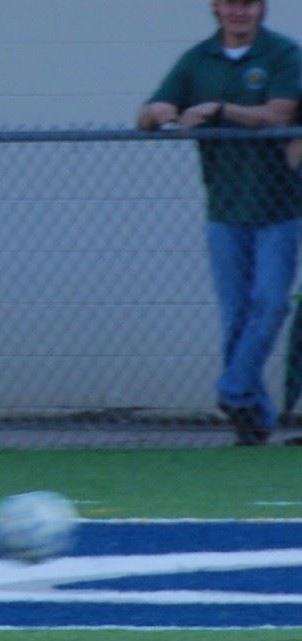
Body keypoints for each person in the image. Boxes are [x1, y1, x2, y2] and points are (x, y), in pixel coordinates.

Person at [136, 0, 302, 445]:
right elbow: (149, 111)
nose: (239, 12)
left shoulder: (283, 55)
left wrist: (220, 110)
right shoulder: (197, 59)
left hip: (279, 210)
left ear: (261, 8)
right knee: (234, 316)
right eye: (230, 3)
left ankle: (233, 390)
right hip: (224, 211)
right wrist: (163, 113)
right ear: (216, 8)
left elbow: (280, 115)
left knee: (270, 303)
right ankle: (251, 417)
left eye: (248, 3)